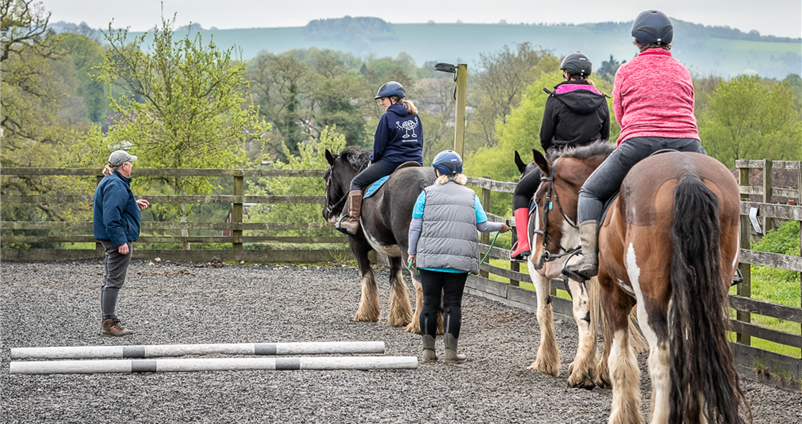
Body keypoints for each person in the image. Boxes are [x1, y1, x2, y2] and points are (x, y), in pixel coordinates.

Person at [564, 10, 707, 280]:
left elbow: (620, 115)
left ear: (637, 41)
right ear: (669, 41)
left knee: (591, 193)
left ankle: (588, 258)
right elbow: (689, 107)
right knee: (714, 190)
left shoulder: (626, 71)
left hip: (640, 143)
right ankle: (724, 259)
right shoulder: (682, 70)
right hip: (687, 143)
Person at [407, 150, 510, 363]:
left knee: (429, 303)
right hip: (459, 262)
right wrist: (499, 226)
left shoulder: (426, 194)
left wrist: (411, 252)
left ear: (437, 171)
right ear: (459, 172)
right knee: (453, 303)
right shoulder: (471, 196)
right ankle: (451, 353)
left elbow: (415, 227)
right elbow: (482, 226)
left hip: (430, 261)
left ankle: (428, 352)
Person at [510, 51, 610, 260]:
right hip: (591, 170)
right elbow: (604, 139)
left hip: (558, 165)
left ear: (566, 74)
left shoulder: (555, 99)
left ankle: (523, 245)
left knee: (521, 191)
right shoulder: (601, 101)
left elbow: (544, 138)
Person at [340, 81, 423, 235]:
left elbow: (379, 147)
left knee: (356, 182)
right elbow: (420, 142)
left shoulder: (387, 117)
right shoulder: (415, 117)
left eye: (383, 99)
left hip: (391, 162)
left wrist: (373, 160)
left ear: (393, 98)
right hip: (416, 162)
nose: (382, 103)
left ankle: (352, 221)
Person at [93, 150, 149, 336]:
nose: (132, 165)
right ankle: (109, 322)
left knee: (111, 279)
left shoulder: (113, 182)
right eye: (130, 162)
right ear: (124, 165)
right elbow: (111, 217)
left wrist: (132, 202)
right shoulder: (116, 184)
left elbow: (114, 204)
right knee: (114, 280)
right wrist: (120, 241)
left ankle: (109, 318)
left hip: (114, 235)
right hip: (117, 237)